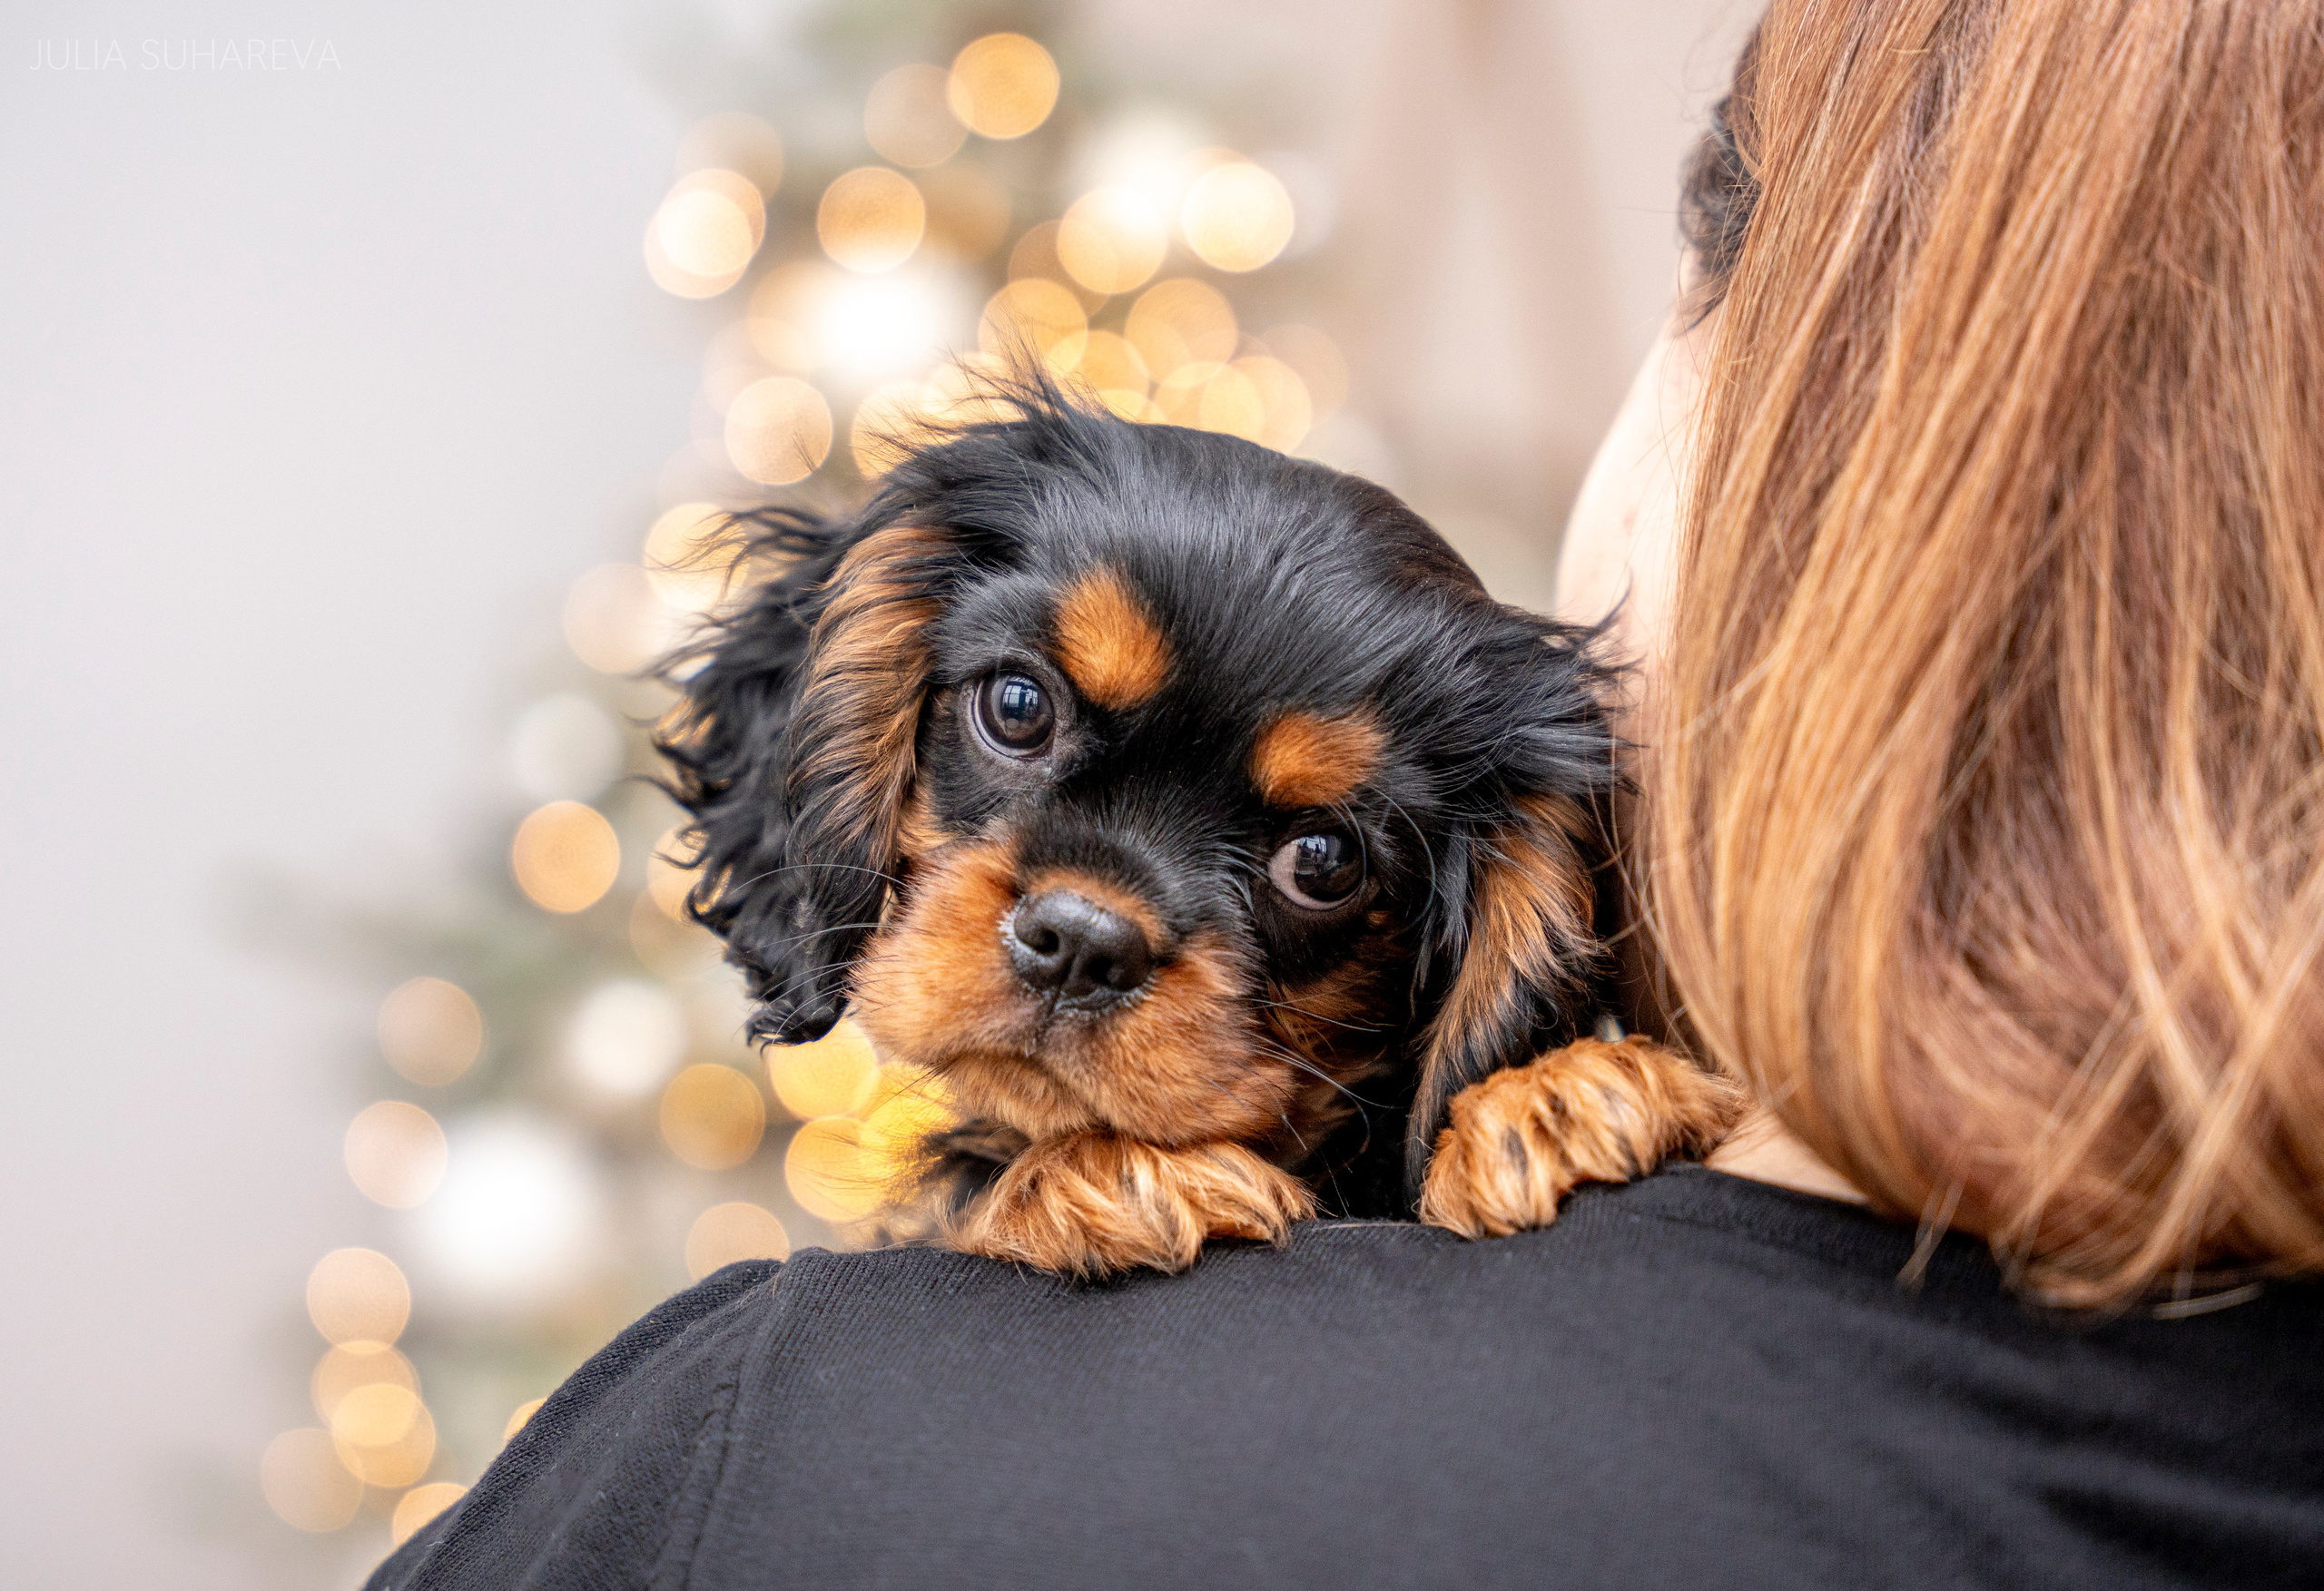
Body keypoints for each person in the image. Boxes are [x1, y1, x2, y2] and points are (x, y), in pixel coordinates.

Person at [368, 3, 2324, 1586]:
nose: (1078, 916)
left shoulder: (789, 1457)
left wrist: (1530, 1088)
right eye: (1021, 721)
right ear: (874, 706)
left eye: (1312, 858)